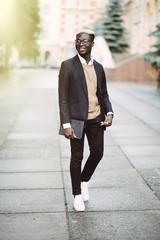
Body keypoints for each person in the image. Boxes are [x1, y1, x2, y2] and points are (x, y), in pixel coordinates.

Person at [58, 29, 114, 212]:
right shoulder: (67, 66)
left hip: (96, 118)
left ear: (92, 44)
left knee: (98, 153)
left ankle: (84, 180)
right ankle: (77, 195)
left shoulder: (98, 67)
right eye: (78, 41)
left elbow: (103, 93)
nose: (81, 44)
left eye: (85, 41)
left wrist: (110, 113)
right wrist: (66, 124)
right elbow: (63, 98)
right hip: (76, 120)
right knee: (77, 157)